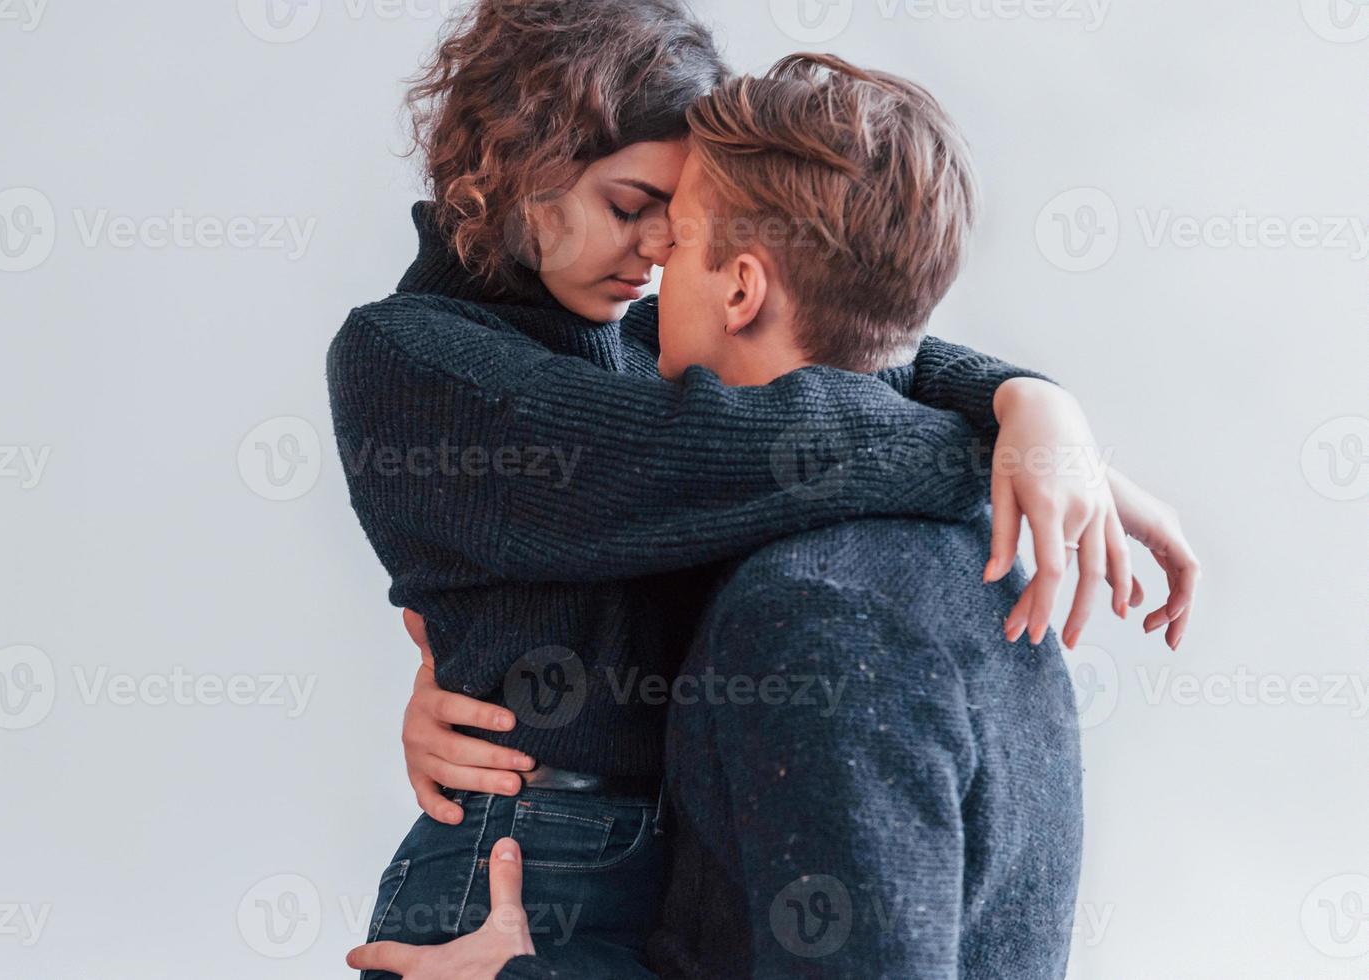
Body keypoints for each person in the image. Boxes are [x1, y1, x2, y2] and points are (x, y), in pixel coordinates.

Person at [327, 2, 1172, 977]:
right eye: (631, 203)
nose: (652, 252)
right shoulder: (412, 362)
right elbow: (730, 437)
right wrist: (994, 450)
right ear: (523, 167)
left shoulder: (626, 350)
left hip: (636, 843)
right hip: (528, 857)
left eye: (672, 222)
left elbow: (854, 343)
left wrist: (1033, 407)